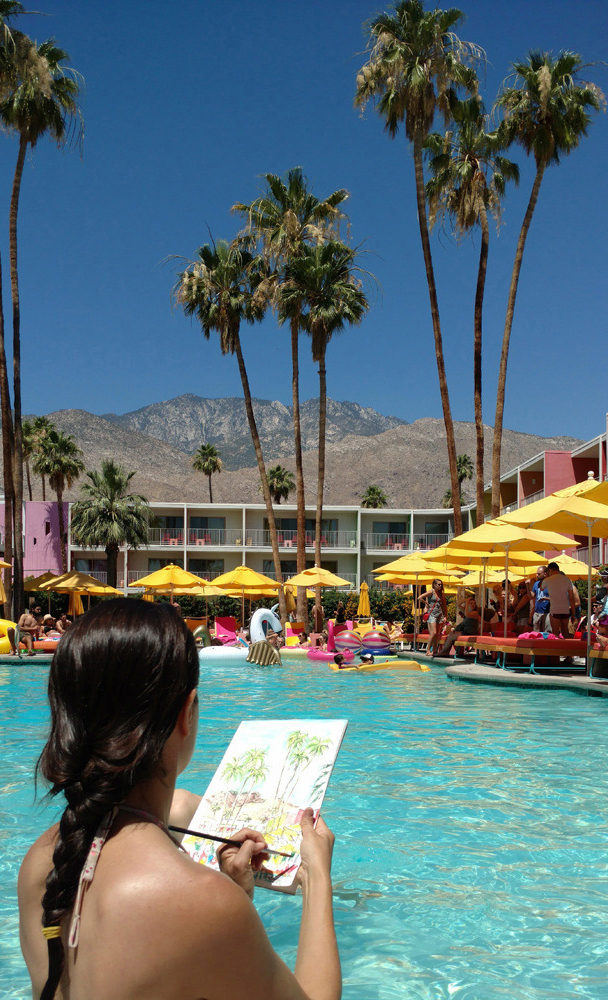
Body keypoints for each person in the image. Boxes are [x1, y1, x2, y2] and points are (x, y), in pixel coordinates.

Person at [18, 599, 340, 1000]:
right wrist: (317, 874)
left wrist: (231, 896)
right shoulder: (200, 904)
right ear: (186, 714)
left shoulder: (41, 862)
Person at [436, 593, 480, 657]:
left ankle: (444, 652)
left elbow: (467, 614)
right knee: (451, 634)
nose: (473, 605)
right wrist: (465, 600)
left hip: (471, 633)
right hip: (466, 632)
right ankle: (445, 651)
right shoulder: (467, 612)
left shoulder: (475, 613)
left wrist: (467, 603)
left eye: (474, 603)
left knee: (451, 636)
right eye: (471, 603)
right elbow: (458, 605)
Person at [542, 562, 576, 638]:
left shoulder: (548, 580)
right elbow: (571, 598)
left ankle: (556, 649)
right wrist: (573, 614)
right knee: (565, 632)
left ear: (550, 570)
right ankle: (567, 649)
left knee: (555, 634)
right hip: (565, 610)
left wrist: (547, 577)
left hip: (555, 610)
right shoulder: (567, 580)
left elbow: (541, 588)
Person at [417, 579, 447, 657]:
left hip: (440, 615)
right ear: (434, 585)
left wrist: (445, 616)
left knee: (437, 634)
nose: (440, 586)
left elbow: (444, 606)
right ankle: (427, 650)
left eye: (441, 585)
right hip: (432, 615)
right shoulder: (431, 592)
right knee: (433, 633)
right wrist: (426, 603)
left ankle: (434, 651)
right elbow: (420, 597)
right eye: (438, 584)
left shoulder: (441, 594)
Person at [530, 566, 551, 632]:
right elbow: (532, 596)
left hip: (547, 612)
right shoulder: (536, 584)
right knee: (536, 633)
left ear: (545, 574)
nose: (536, 575)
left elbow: (556, 598)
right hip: (537, 612)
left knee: (547, 633)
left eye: (539, 574)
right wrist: (528, 586)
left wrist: (546, 598)